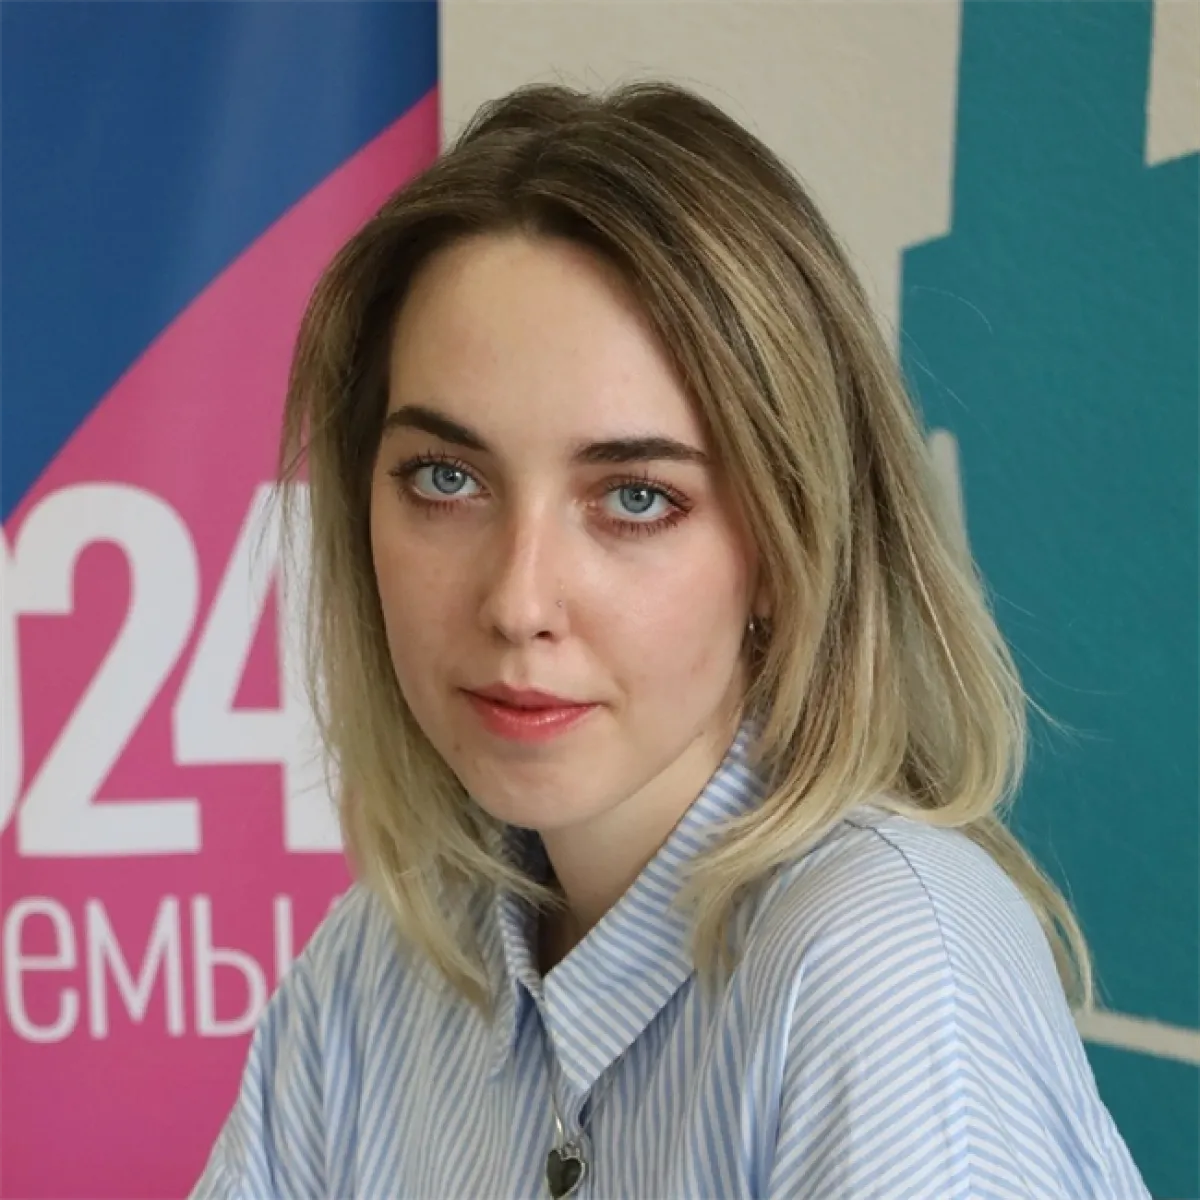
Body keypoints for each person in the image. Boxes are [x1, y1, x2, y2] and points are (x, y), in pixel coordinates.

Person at [189, 81, 1150, 1199]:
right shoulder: (373, 973)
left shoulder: (882, 962)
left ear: (788, 544)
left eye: (635, 498)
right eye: (445, 479)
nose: (518, 601)